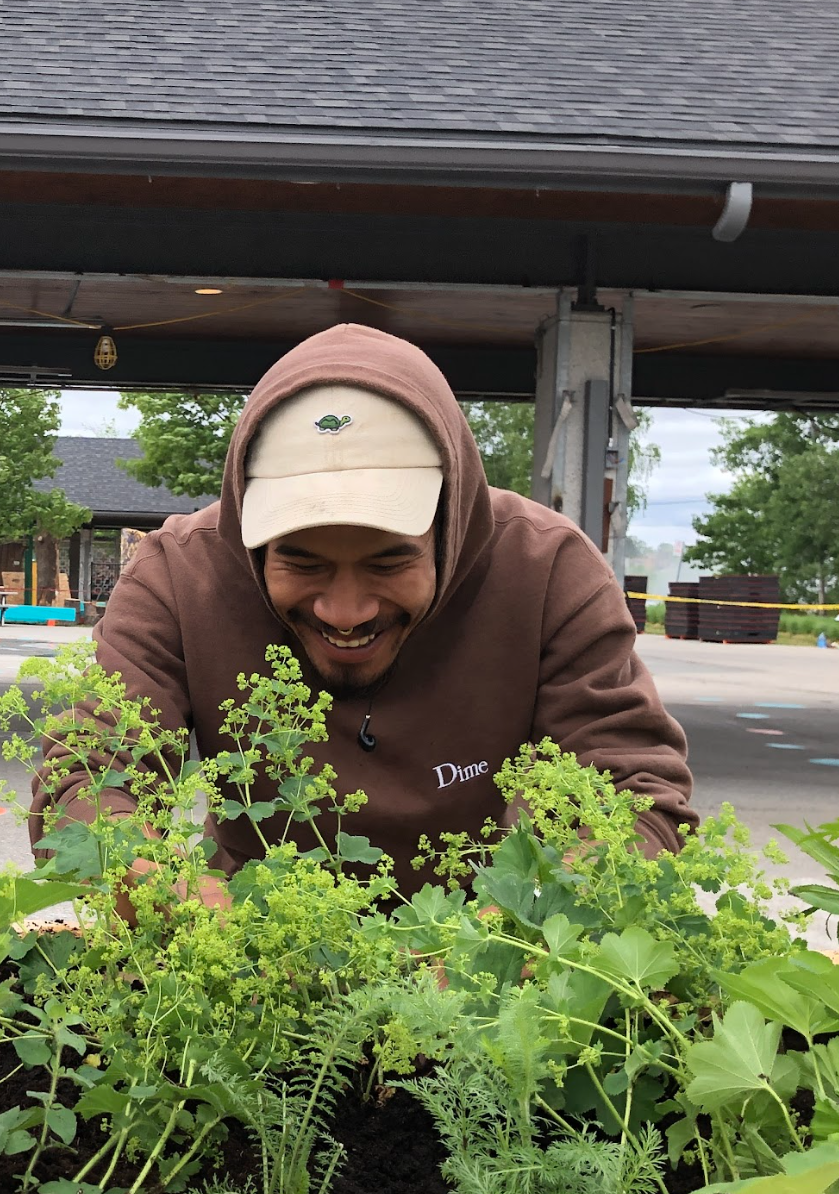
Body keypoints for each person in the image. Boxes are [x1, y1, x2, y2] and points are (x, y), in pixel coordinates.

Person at [35, 324, 692, 888]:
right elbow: (84, 780)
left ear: (452, 525)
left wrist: (533, 923)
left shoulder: (547, 572)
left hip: (481, 946)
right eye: (301, 561)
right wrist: (165, 895)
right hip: (248, 947)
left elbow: (635, 795)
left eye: (389, 561)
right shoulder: (181, 575)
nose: (344, 611)